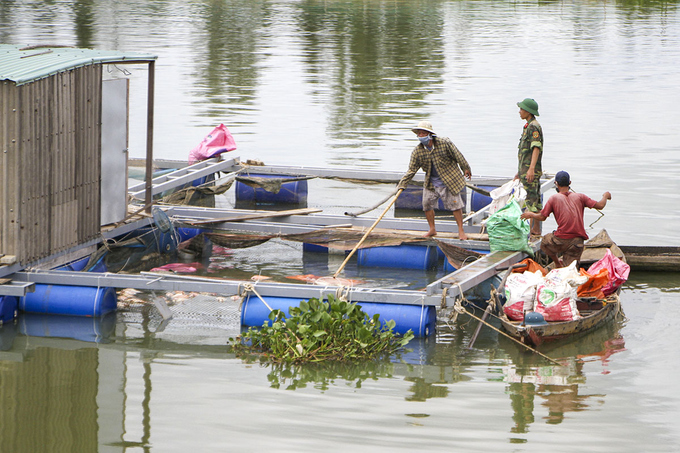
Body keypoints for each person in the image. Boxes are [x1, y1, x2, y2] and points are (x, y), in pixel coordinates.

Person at [520, 171, 612, 268]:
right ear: (570, 183)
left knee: (545, 242)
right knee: (571, 270)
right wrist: (605, 196)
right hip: (577, 242)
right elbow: (600, 205)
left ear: (556, 183)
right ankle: (564, 265)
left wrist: (531, 214)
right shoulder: (580, 197)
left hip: (560, 240)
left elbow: (542, 217)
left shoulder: (554, 198)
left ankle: (557, 263)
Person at [398, 121, 472, 239]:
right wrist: (402, 185)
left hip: (449, 180)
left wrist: (466, 168)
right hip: (431, 182)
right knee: (427, 204)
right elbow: (411, 170)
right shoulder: (418, 151)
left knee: (455, 205)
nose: (421, 136)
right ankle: (432, 229)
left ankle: (461, 230)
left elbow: (458, 155)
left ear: (429, 134)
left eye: (423, 133)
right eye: (419, 134)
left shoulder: (444, 143)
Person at [515, 98, 544, 238]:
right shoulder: (528, 126)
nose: (519, 111)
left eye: (521, 109)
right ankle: (536, 230)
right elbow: (525, 152)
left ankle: (532, 231)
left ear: (528, 111)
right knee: (535, 199)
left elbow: (536, 148)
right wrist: (519, 171)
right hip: (525, 170)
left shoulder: (533, 126)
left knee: (531, 200)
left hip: (530, 171)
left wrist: (531, 169)